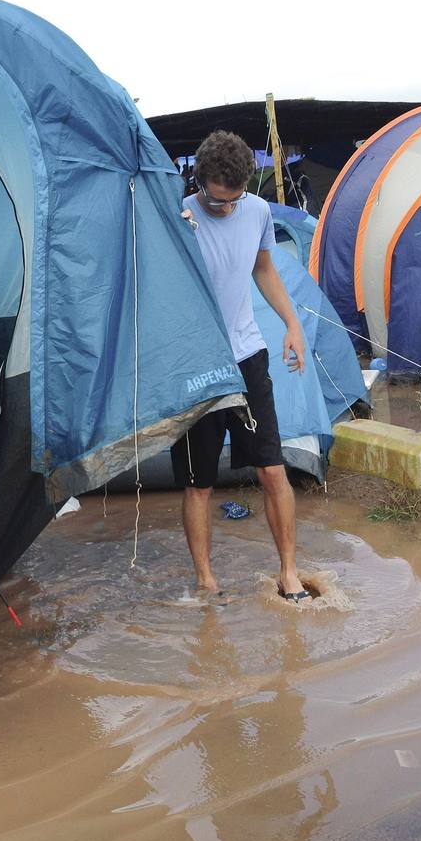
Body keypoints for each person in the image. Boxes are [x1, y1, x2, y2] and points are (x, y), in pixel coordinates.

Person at [170, 130, 309, 602]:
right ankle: (206, 579)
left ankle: (289, 572)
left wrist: (292, 323)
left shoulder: (257, 210)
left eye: (234, 200)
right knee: (199, 483)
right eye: (217, 200)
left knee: (273, 470)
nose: (226, 208)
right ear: (200, 182)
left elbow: (264, 268)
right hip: (197, 365)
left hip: (248, 357)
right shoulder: (179, 214)